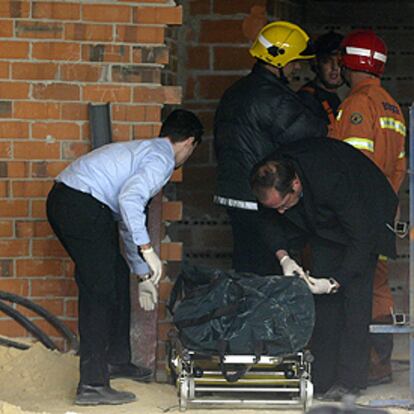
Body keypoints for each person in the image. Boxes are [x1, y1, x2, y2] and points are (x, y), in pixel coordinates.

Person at [46, 109, 204, 406]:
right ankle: (92, 384)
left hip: (77, 203)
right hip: (80, 204)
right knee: (99, 289)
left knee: (117, 275)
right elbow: (130, 200)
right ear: (190, 143)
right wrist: (148, 251)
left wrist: (142, 274)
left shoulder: (147, 151)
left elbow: (130, 221)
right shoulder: (161, 160)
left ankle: (116, 361)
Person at [249, 138, 398, 401]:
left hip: (368, 209)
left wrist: (336, 281)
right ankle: (322, 378)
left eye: (283, 204)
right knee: (324, 303)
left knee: (354, 297)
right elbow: (268, 221)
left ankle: (350, 381)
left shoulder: (332, 180)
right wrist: (285, 258)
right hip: (324, 218)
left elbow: (361, 238)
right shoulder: (271, 177)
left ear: (295, 185)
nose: (281, 212)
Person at [214, 20, 327, 276]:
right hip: (263, 197)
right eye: (294, 60)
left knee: (247, 266)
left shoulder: (235, 91)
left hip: (233, 194)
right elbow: (314, 133)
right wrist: (313, 105)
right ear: (278, 60)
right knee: (271, 270)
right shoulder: (272, 97)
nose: (297, 67)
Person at [329, 29, 407, 386]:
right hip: (384, 214)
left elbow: (351, 164)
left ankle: (366, 362)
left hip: (359, 215)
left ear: (350, 62)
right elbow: (399, 166)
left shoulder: (358, 105)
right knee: (379, 286)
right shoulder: (392, 105)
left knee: (357, 287)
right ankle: (381, 361)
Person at [298, 30, 344, 125]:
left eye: (339, 62)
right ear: (316, 63)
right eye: (327, 61)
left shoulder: (333, 98)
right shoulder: (308, 100)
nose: (335, 67)